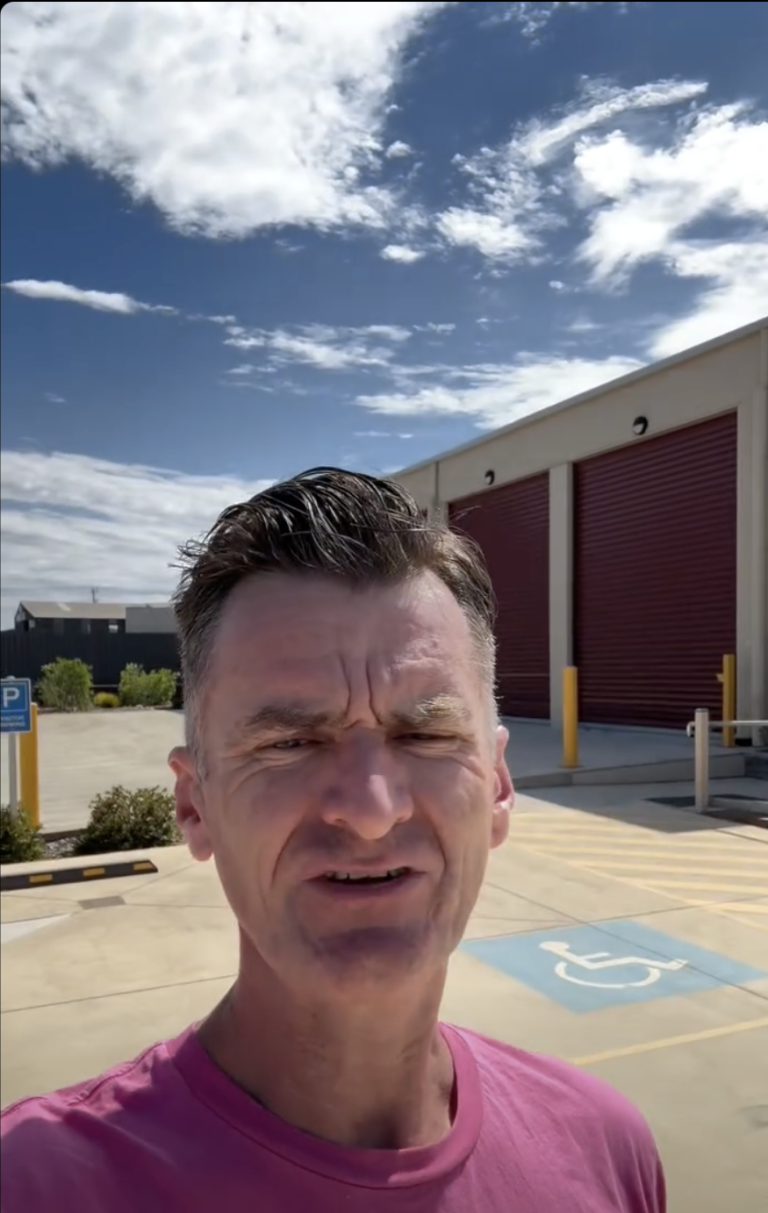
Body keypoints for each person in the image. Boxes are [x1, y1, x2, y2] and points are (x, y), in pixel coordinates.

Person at [1, 468, 666, 1212]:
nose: (372, 810)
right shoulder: (36, 1185)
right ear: (196, 805)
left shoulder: (606, 1151)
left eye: (426, 734)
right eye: (289, 742)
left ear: (498, 788)